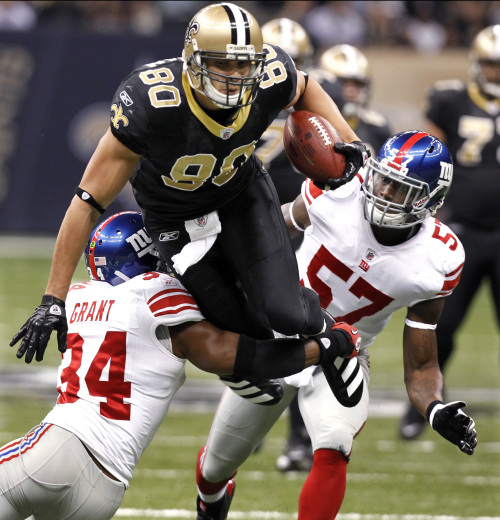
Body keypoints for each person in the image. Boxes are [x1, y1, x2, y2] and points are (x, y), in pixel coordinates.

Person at [10, 3, 369, 367]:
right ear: (193, 62)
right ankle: (297, 364)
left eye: (244, 64)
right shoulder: (152, 103)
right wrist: (52, 299)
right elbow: (87, 202)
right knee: (246, 327)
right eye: (223, 64)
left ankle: (331, 332)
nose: (235, 75)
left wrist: (350, 140)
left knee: (285, 313)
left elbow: (305, 86)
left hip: (241, 196)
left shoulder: (270, 76)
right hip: (175, 221)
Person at [1, 211, 361, 520]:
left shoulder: (77, 296)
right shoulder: (157, 293)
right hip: (106, 488)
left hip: (58, 449)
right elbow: (232, 355)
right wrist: (326, 347)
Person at [193, 131, 478, 520]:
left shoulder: (439, 260)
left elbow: (422, 366)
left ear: (430, 201)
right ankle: (212, 500)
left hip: (343, 352)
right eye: (384, 178)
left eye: (402, 188)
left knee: (334, 444)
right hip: (277, 335)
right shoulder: (340, 193)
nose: (386, 191)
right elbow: (270, 233)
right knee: (215, 470)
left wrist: (434, 408)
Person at [278, 42, 394, 473]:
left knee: (329, 341)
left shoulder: (377, 127)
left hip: (359, 245)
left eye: (357, 82)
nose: (351, 90)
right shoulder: (297, 124)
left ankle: (314, 436)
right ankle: (271, 424)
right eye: (342, 81)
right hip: (309, 230)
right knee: (287, 334)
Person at [399, 25, 500, 440]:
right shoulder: (451, 99)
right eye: (491, 64)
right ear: (477, 64)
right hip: (463, 231)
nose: (495, 73)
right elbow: (432, 157)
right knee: (442, 325)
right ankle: (425, 404)